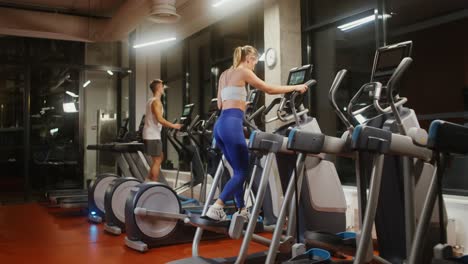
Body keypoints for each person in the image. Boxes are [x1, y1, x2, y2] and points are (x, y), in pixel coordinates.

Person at [205, 45, 308, 221]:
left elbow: (221, 104)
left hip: (220, 126)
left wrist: (240, 103)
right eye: (255, 61)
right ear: (249, 58)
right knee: (241, 173)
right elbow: (267, 88)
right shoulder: (244, 71)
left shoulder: (224, 74)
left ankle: (242, 210)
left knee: (237, 171)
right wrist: (295, 87)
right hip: (232, 124)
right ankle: (217, 206)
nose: (254, 65)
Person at [143, 79, 182, 182]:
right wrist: (174, 126)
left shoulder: (150, 101)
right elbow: (160, 119)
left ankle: (147, 181)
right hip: (153, 135)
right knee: (157, 160)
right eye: (162, 86)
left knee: (160, 157)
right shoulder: (156, 102)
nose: (163, 88)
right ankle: (153, 184)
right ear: (159, 88)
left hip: (150, 134)